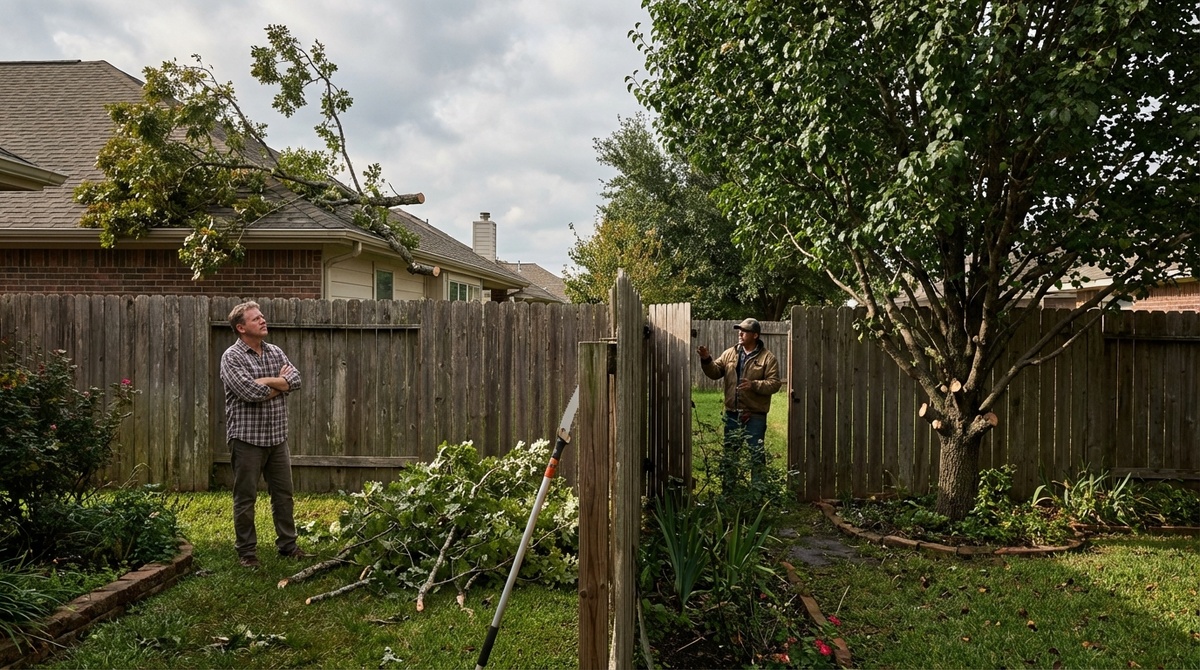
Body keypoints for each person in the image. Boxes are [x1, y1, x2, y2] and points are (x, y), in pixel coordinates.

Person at [220, 301, 311, 568]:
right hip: (247, 438)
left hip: (277, 436)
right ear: (241, 327)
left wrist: (266, 381)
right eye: (255, 319)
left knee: (283, 494)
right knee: (245, 497)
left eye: (262, 317)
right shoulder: (232, 357)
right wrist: (279, 384)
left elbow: (296, 380)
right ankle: (247, 553)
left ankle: (288, 546)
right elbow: (249, 392)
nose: (262, 320)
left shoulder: (275, 351)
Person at [697, 317, 782, 487]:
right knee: (730, 455)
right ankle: (729, 492)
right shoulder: (730, 353)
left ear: (755, 335)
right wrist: (706, 359)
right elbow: (715, 372)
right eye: (739, 330)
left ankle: (757, 492)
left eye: (744, 331)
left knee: (756, 455)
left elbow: (774, 384)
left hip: (755, 415)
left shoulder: (768, 358)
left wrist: (754, 385)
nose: (740, 333)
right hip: (732, 414)